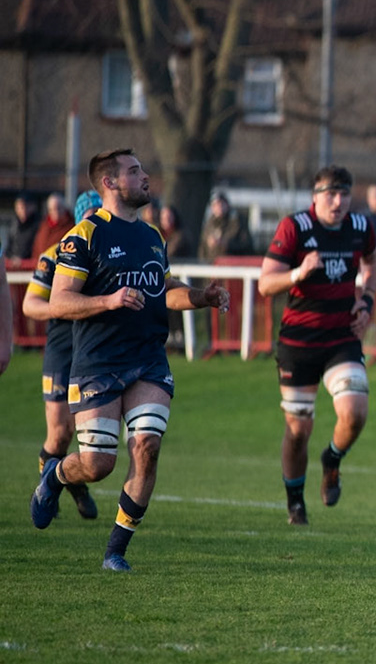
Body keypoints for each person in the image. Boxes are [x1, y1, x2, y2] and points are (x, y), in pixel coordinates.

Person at [30, 149, 231, 569]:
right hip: (98, 363)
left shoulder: (153, 236)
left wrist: (201, 298)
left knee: (146, 447)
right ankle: (56, 475)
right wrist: (108, 300)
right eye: (134, 171)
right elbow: (61, 301)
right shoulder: (84, 235)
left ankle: (116, 551)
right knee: (98, 463)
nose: (145, 176)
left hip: (148, 360)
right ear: (109, 183)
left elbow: (164, 288)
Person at [257, 166, 376, 524]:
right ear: (315, 196)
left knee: (356, 411)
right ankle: (295, 499)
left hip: (341, 338)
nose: (338, 201)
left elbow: (373, 261)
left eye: (344, 194)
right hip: (299, 343)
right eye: (331, 194)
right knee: (298, 431)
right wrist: (298, 272)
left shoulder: (360, 227)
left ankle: (332, 459)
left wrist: (368, 299)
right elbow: (265, 284)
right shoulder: (294, 227)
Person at [19, 190, 105, 520]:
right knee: (59, 433)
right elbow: (30, 304)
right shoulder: (54, 255)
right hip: (62, 347)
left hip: (96, 349)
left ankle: (73, 480)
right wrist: (67, 305)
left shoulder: (110, 254)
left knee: (87, 436)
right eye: (91, 215)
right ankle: (54, 492)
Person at [199, 192, 253, 259]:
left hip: (233, 263)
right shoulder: (209, 224)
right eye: (215, 205)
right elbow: (202, 246)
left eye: (221, 204)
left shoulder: (237, 221)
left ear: (227, 205)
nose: (219, 207)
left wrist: (227, 244)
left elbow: (246, 244)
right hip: (213, 263)